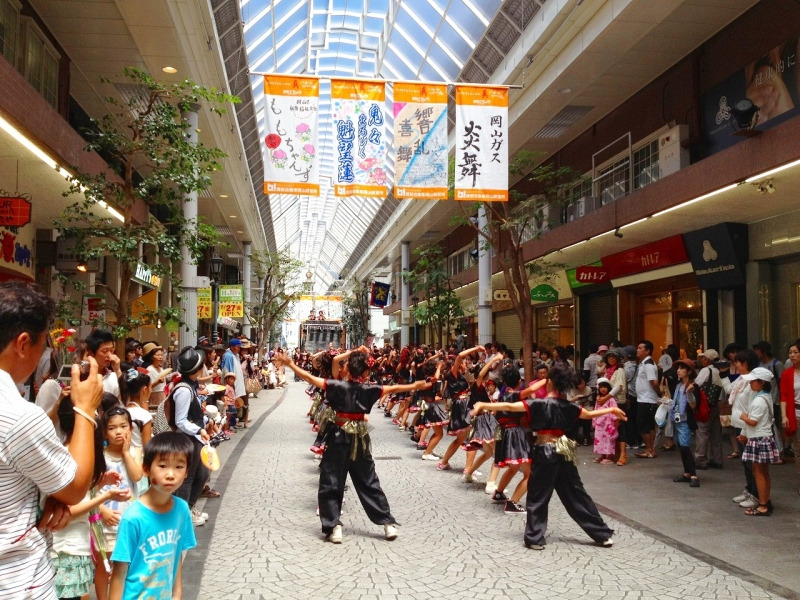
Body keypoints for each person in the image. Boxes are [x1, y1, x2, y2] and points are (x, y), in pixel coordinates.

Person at [0, 281, 104, 599]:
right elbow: (74, 485)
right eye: (44, 344)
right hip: (17, 583)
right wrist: (85, 410)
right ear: (22, 343)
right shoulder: (18, 416)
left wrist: (48, 497)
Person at [276, 347, 427, 543]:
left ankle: (333, 526)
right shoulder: (370, 389)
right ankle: (387, 523)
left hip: (338, 436)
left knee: (331, 479)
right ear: (365, 372)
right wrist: (415, 385)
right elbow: (394, 388)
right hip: (360, 439)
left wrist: (290, 364)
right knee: (368, 479)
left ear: (349, 369)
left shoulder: (336, 386)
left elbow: (310, 379)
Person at [471, 364, 625, 550]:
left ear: (550, 382)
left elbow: (509, 405)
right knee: (577, 494)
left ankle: (534, 537)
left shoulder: (539, 404)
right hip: (564, 451)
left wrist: (483, 404)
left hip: (545, 452)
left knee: (538, 495)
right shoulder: (569, 406)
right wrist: (612, 410)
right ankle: (602, 535)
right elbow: (589, 414)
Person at [109, 432, 197, 599]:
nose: (170, 474)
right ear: (146, 469)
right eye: (162, 466)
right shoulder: (133, 518)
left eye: (179, 467)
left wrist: (177, 594)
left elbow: (176, 555)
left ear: (186, 472)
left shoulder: (182, 510)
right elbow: (119, 573)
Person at [94, 406, 143, 600]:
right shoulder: (100, 455)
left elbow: (137, 475)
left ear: (130, 428)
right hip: (103, 520)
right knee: (103, 566)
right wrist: (102, 509)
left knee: (124, 566)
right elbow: (91, 489)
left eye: (123, 426)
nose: (119, 432)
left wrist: (125, 453)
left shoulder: (135, 451)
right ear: (105, 431)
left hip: (127, 520)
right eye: (113, 428)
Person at [170, 346, 211, 527]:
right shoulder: (184, 390)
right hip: (188, 440)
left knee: (202, 473)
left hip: (195, 439)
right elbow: (180, 421)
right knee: (189, 477)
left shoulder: (189, 387)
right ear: (197, 369)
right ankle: (183, 514)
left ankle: (189, 508)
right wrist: (198, 430)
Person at [738, 367, 781, 515]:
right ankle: (765, 501)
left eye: (753, 381)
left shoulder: (759, 401)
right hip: (763, 436)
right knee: (763, 471)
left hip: (758, 438)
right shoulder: (766, 397)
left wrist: (743, 417)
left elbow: (753, 422)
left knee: (759, 471)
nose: (750, 384)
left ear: (761, 383)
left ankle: (763, 505)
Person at [670, 359, 700, 488]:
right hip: (677, 419)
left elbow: (694, 406)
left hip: (686, 420)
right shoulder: (678, 386)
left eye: (682, 368)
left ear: (689, 371)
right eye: (678, 368)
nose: (678, 370)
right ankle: (687, 473)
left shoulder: (693, 386)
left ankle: (693, 475)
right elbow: (675, 401)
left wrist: (689, 393)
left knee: (685, 447)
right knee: (681, 446)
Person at [694, 349, 725, 470]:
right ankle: (717, 459)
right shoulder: (719, 371)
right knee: (715, 433)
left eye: (703, 358)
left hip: (705, 405)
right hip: (715, 404)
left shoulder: (706, 370)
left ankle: (700, 459)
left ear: (707, 359)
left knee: (702, 432)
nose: (701, 360)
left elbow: (696, 385)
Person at [779, 340, 800, 494]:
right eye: (790, 353)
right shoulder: (787, 373)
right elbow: (784, 396)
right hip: (796, 414)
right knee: (798, 449)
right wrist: (784, 416)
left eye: (795, 352)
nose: (792, 355)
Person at [634, 340, 660, 458]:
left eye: (640, 348)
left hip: (647, 399)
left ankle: (649, 449)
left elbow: (653, 382)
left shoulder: (649, 364)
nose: (637, 350)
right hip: (644, 399)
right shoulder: (644, 363)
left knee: (643, 425)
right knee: (648, 425)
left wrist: (659, 393)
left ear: (647, 351)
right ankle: (650, 449)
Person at [83, 329, 122, 399]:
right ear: (91, 353)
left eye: (111, 351)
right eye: (105, 351)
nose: (109, 355)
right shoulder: (81, 375)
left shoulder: (113, 377)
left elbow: (126, 400)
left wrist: (118, 370)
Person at [220, 339, 247, 427]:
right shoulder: (229, 356)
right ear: (232, 347)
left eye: (239, 347)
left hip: (235, 383)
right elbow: (227, 371)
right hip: (231, 385)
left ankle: (234, 422)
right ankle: (230, 424)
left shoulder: (235, 355)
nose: (239, 348)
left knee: (235, 404)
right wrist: (231, 384)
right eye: (237, 346)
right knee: (230, 404)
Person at [592, 378, 619, 464]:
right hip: (600, 424)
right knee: (600, 439)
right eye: (601, 387)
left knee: (608, 440)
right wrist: (594, 420)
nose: (603, 389)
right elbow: (595, 410)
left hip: (608, 424)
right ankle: (603, 455)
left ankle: (610, 457)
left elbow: (615, 410)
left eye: (605, 387)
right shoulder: (599, 399)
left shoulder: (611, 399)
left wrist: (615, 420)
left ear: (609, 388)